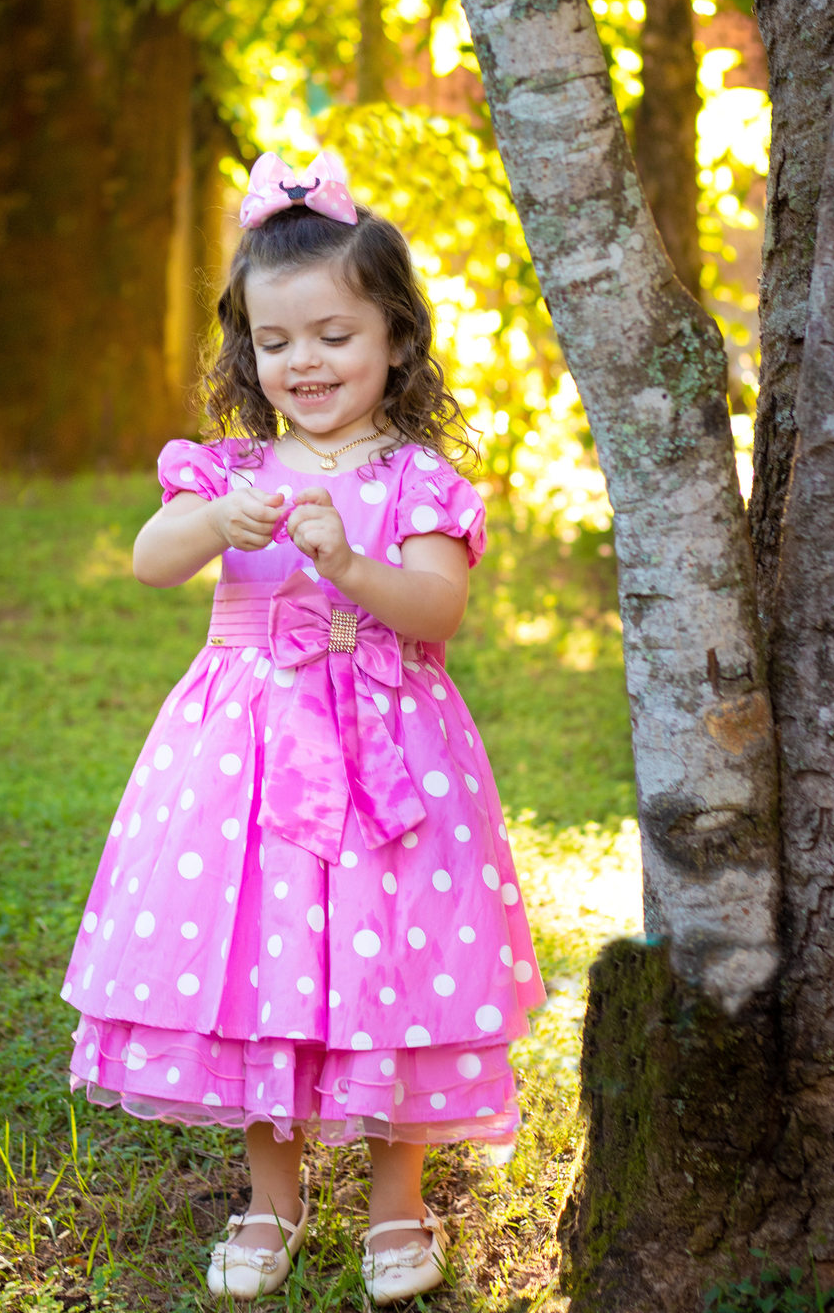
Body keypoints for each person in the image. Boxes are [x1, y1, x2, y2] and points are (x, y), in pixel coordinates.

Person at [62, 150, 544, 1304]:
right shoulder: (229, 468)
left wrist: (349, 563)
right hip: (248, 760)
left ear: (393, 338)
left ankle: (397, 1206)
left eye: (333, 336)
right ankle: (269, 1202)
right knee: (261, 963)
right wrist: (215, 519)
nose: (305, 364)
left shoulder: (421, 480)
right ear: (248, 353)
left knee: (391, 966)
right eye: (276, 345)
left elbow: (439, 609)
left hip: (391, 757)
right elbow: (148, 562)